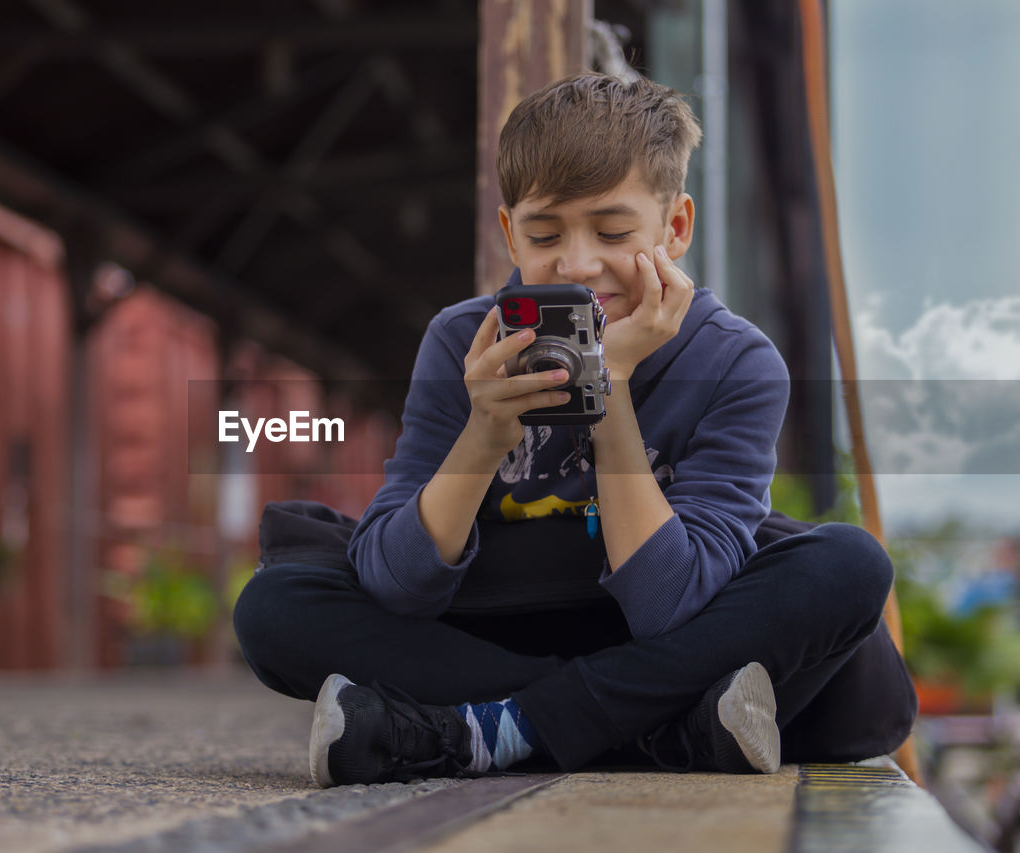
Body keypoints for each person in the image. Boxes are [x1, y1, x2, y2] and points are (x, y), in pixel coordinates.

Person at [234, 71, 917, 787]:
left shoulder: (737, 361)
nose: (579, 263)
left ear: (674, 227)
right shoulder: (460, 341)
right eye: (544, 232)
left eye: (613, 231)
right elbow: (398, 586)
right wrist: (483, 436)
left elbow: (667, 606)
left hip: (666, 630)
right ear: (509, 232)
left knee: (847, 563)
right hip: (511, 621)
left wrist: (609, 391)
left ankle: (486, 731)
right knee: (275, 607)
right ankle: (663, 732)